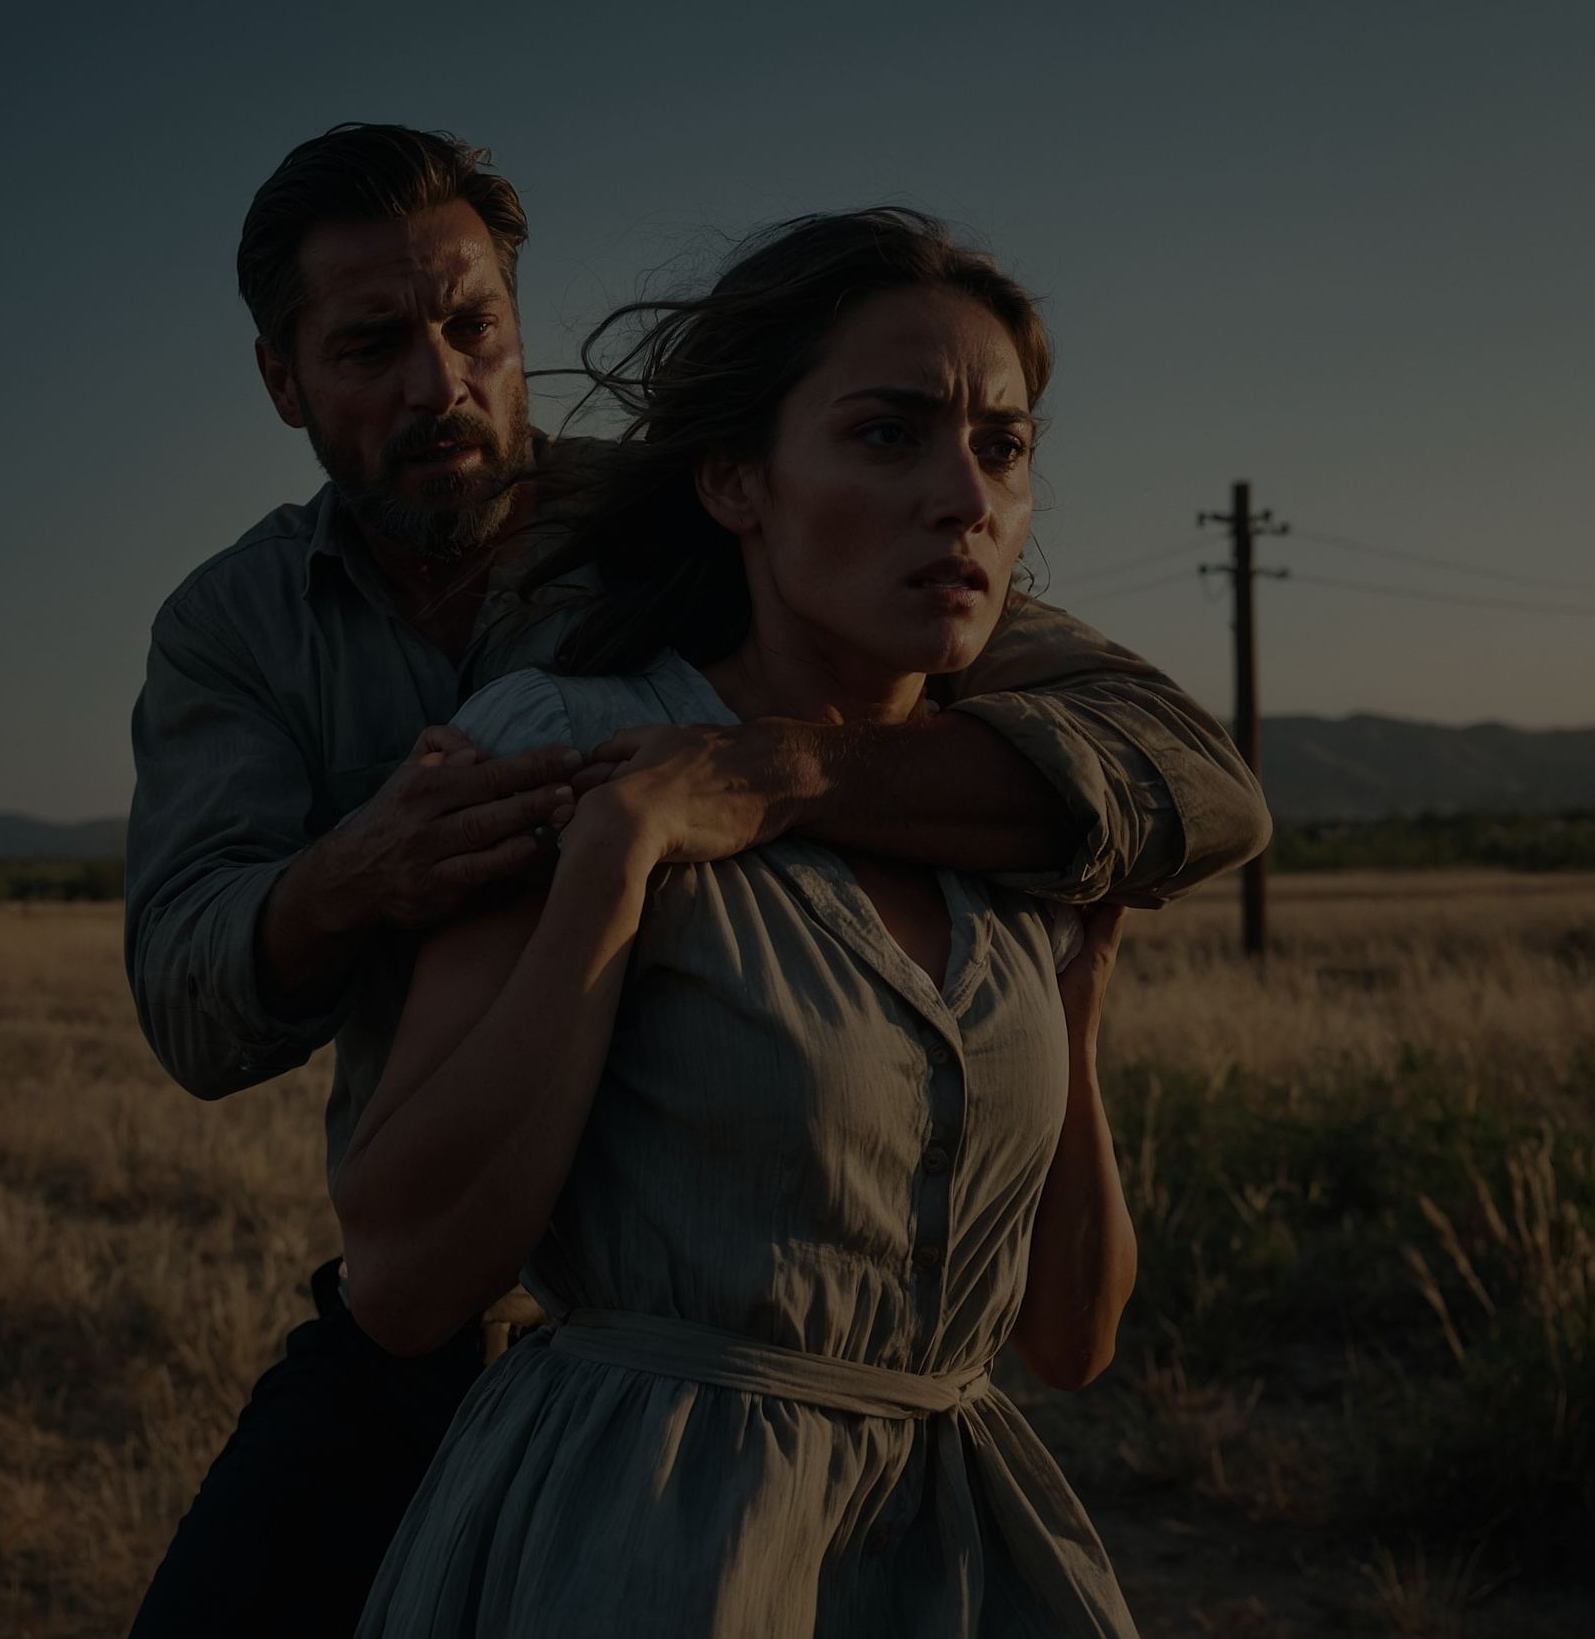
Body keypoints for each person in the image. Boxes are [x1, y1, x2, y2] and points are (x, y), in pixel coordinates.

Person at [124, 127, 1269, 1637]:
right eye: (371, 346)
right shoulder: (238, 626)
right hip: (476, 1295)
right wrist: (359, 876)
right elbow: (196, 1001)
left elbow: (1186, 776)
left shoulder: (710, 523)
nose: (439, 385)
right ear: (285, 381)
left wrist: (777, 774)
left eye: (473, 329)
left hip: (856, 1395)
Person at [333, 208, 1153, 1637]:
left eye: (1002, 448)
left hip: (952, 1558)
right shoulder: (570, 744)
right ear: (735, 482)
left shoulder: (995, 811)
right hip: (643, 1544)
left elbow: (1071, 1339)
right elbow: (403, 1281)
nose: (965, 497)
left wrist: (1076, 1007)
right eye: (890, 435)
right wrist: (618, 860)